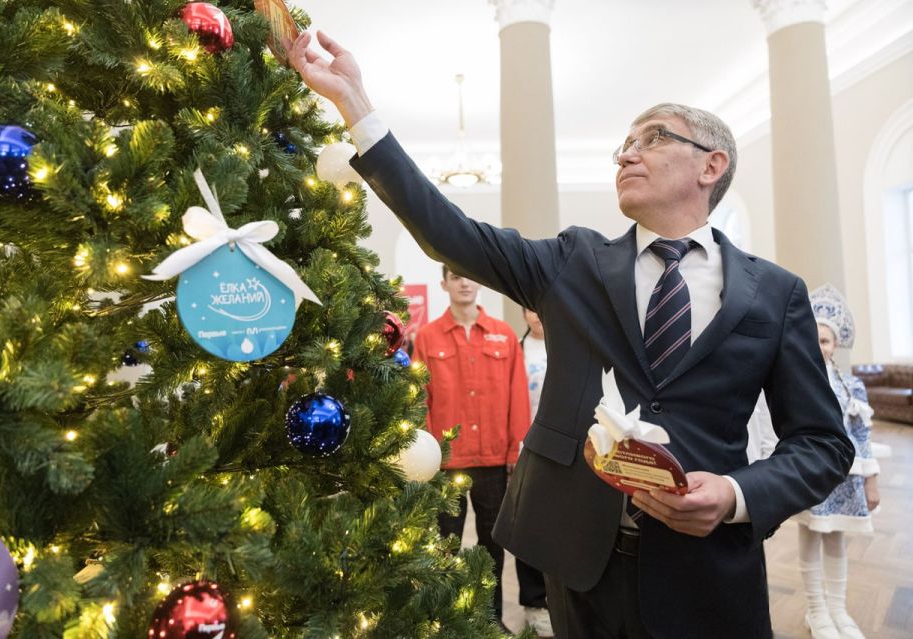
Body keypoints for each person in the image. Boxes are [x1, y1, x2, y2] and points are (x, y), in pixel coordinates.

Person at [286, 31, 854, 639]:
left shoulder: (775, 293)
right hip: (581, 562)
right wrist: (355, 103)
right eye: (624, 145)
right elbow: (449, 232)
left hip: (707, 569)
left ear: (711, 166)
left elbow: (822, 443)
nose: (626, 155)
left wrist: (737, 495)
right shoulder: (572, 262)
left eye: (653, 138)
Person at [412, 265, 531, 628]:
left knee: (493, 545)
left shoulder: (504, 335)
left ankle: (492, 619)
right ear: (444, 284)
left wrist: (515, 452)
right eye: (456, 277)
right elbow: (420, 399)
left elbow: (518, 397)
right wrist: (427, 456)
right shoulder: (427, 337)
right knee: (445, 544)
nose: (465, 282)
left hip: (493, 460)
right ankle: (448, 621)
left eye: (470, 275)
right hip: (445, 463)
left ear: (479, 282)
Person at [796, 284, 880, 639]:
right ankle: (816, 611)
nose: (819, 346)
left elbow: (861, 434)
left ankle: (838, 609)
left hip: (844, 477)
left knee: (836, 539)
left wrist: (871, 480)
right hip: (809, 473)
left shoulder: (851, 386)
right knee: (810, 536)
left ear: (835, 345)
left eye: (825, 340)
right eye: (813, 339)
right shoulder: (796, 381)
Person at [517, 308, 554, 637]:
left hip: (564, 455)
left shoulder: (567, 345)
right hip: (525, 451)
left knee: (561, 530)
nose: (537, 314)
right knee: (527, 529)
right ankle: (534, 603)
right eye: (530, 308)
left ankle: (563, 601)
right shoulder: (516, 349)